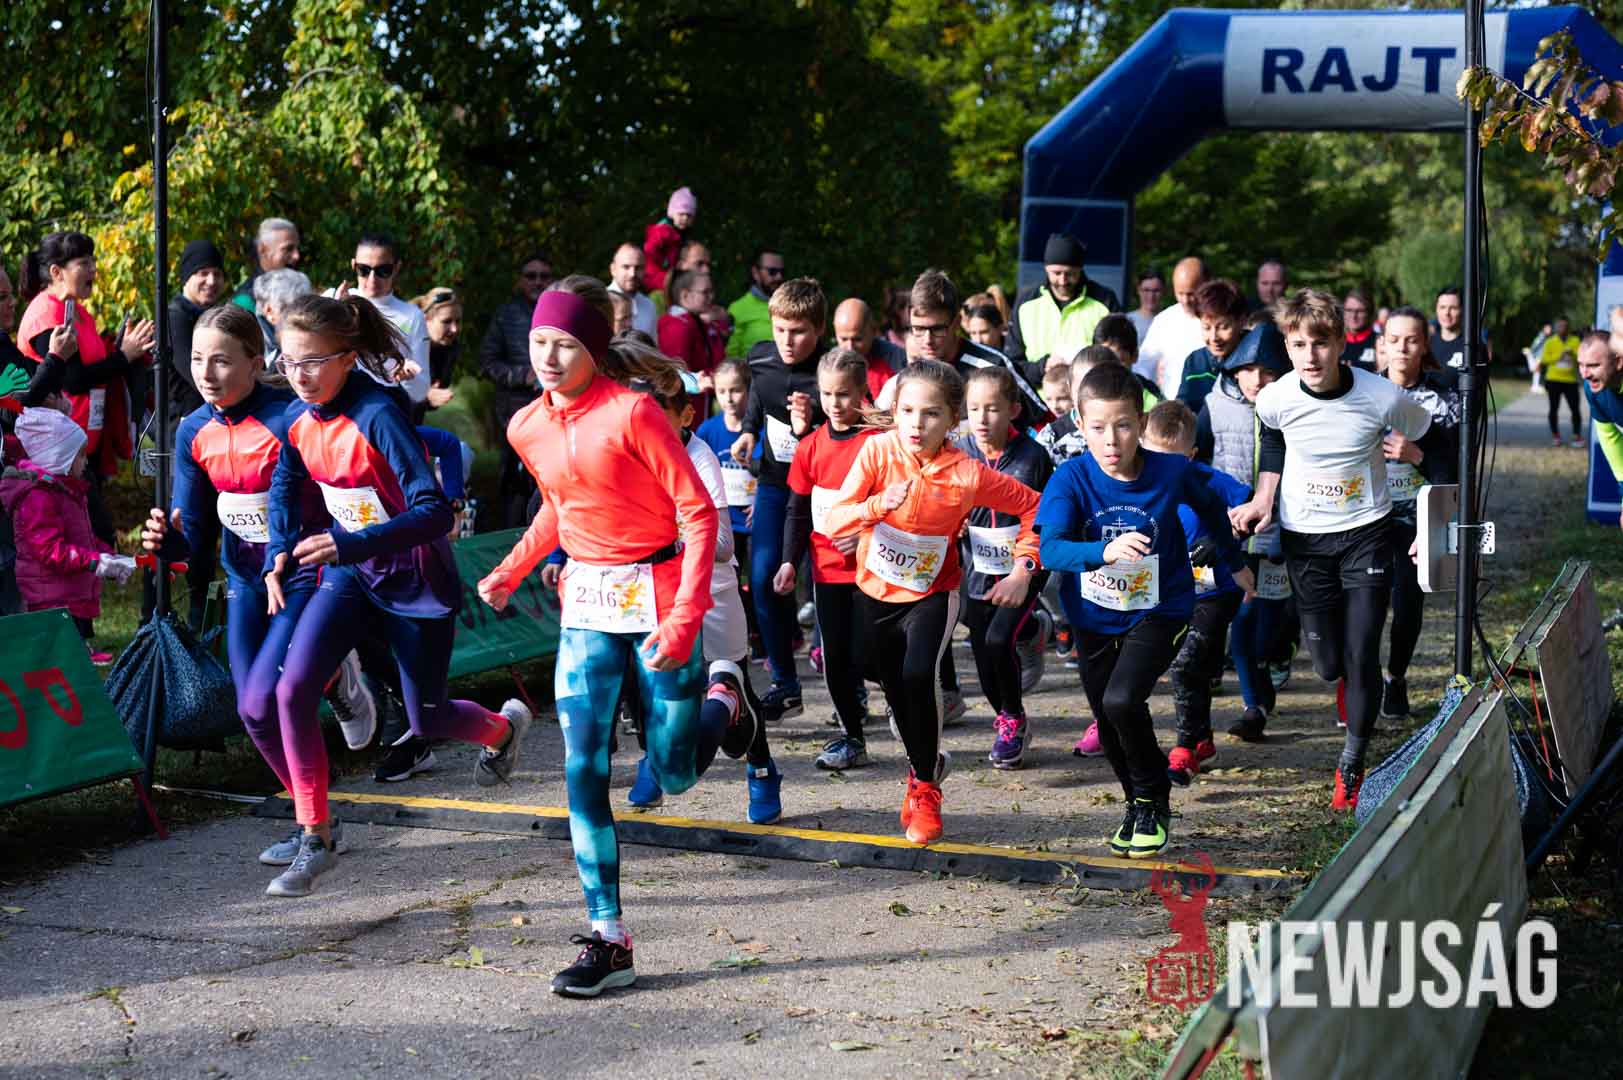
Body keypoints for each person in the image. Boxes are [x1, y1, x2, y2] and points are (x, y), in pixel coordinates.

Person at [477, 279, 722, 997]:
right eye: (539, 342)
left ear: (592, 349)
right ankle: (609, 937)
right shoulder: (526, 425)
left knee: (673, 773)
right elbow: (560, 504)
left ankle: (725, 702)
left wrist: (685, 616)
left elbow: (698, 513)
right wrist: (512, 568)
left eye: (564, 344)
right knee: (582, 765)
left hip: (661, 596)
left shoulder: (634, 412)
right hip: (587, 603)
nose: (548, 357)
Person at [258, 293, 529, 899]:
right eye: (288, 361)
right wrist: (279, 548)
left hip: (414, 579)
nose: (298, 375)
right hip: (352, 573)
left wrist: (349, 542)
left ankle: (503, 732)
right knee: (291, 689)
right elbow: (285, 483)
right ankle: (315, 835)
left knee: (426, 717)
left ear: (347, 357)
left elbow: (435, 512)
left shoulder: (378, 414)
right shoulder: (300, 416)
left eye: (312, 362)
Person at [139, 303, 378, 864]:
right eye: (197, 359)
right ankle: (313, 815)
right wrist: (165, 542)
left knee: (275, 693)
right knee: (252, 710)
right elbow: (194, 538)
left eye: (222, 361)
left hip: (306, 571)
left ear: (255, 362)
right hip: (245, 579)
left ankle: (315, 817)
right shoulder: (192, 430)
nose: (207, 373)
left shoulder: (290, 416)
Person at [1229, 289, 1433, 812]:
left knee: (1362, 652)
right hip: (1306, 541)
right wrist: (1264, 498)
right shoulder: (1275, 397)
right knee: (1326, 665)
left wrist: (1432, 508)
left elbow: (1429, 437)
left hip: (1367, 532)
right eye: (1299, 345)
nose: (1310, 356)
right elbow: (1273, 437)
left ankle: (1352, 762)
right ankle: (1342, 676)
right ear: (1287, 347)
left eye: (1321, 343)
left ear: (1342, 342)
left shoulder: (1382, 396)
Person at [1037, 364, 1252, 858]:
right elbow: (1051, 550)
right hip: (1093, 614)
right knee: (1108, 716)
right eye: (1097, 428)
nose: (1111, 440)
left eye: (1123, 426)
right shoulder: (1071, 478)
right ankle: (1137, 802)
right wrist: (1103, 552)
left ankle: (1154, 795)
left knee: (1121, 701)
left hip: (1162, 607)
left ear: (1141, 421)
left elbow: (1214, 509)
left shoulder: (1170, 471)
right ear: (1080, 423)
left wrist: (1235, 563)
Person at [822, 360, 1041, 844]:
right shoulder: (877, 451)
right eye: (907, 411)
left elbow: (1034, 506)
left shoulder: (966, 473)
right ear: (894, 411)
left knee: (919, 676)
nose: (916, 424)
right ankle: (926, 762)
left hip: (933, 595)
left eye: (931, 414)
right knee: (890, 683)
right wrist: (878, 506)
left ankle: (925, 790)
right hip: (874, 592)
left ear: (952, 421)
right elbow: (835, 519)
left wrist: (1023, 567)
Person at [619, 363, 774, 823]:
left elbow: (723, 544)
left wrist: (667, 533)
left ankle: (761, 769)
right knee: (646, 684)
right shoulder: (628, 453)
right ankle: (652, 758)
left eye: (656, 418)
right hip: (652, 594)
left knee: (734, 683)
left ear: (685, 416)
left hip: (711, 593)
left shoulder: (700, 458)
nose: (643, 430)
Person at [773, 348, 881, 770]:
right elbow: (797, 510)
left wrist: (867, 534)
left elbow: (901, 506)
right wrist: (788, 561)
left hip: (876, 570)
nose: (835, 404)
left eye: (844, 394)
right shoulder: (810, 447)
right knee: (834, 655)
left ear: (862, 392)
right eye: (828, 394)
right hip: (827, 571)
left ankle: (906, 713)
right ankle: (852, 737)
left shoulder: (877, 444)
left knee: (871, 653)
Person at [729, 278, 828, 718]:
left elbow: (851, 429)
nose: (788, 341)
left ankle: (852, 685)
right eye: (781, 329)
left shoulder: (830, 371)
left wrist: (811, 427)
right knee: (764, 577)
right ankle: (785, 683)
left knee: (829, 587)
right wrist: (749, 430)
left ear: (819, 329)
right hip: (774, 484)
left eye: (799, 331)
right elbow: (759, 395)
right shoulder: (761, 357)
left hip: (823, 492)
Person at [1192, 322, 1291, 742]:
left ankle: (1268, 672)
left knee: (1269, 624)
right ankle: (1253, 708)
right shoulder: (1212, 406)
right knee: (1240, 619)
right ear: (1234, 370)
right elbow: (1194, 467)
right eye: (1248, 370)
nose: (1257, 379)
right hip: (1228, 533)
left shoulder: (1294, 407)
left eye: (1268, 371)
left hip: (1280, 534)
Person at [1143, 401, 1251, 786]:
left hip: (1214, 592)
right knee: (1192, 668)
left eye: (1171, 460)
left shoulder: (1209, 480)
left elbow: (1252, 507)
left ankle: (1186, 748)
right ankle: (1201, 739)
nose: (1161, 468)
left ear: (1190, 455)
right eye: (1152, 456)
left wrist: (1223, 537)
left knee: (1185, 663)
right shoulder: (1138, 483)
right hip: (1164, 592)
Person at [955, 367, 1053, 770]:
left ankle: (1013, 718)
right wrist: (955, 523)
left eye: (992, 408)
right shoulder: (958, 452)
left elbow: (1045, 517)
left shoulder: (1033, 456)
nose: (981, 418)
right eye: (974, 408)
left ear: (1013, 410)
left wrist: (1025, 569)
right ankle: (1008, 716)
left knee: (999, 640)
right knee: (983, 657)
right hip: (978, 567)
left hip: (1025, 565)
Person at [18, 232, 156, 490]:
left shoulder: (79, 311)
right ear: (57, 272)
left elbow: (96, 365)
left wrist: (122, 349)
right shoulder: (45, 314)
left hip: (85, 444)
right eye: (84, 263)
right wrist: (124, 356)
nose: (93, 269)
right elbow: (73, 380)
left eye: (93, 261)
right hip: (57, 453)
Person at [1378, 307, 1461, 721]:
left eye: (1411, 340)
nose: (1402, 349)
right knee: (1365, 602)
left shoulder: (1444, 399)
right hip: (1367, 516)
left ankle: (1395, 677)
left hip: (1417, 518)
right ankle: (1360, 681)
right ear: (1382, 343)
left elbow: (1453, 472)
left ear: (1425, 344)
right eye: (1394, 340)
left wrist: (1417, 456)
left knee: (1407, 604)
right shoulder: (1363, 391)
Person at [0, 407, 133, 662]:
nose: (86, 462)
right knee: (57, 666)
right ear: (58, 458)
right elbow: (50, 550)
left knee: (70, 663)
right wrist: (94, 561)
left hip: (68, 597)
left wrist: (109, 557)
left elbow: (83, 539)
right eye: (80, 456)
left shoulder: (68, 492)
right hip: (50, 602)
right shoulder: (37, 498)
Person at [695, 358, 764, 661]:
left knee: (759, 581)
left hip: (753, 520)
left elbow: (771, 470)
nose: (729, 398)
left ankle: (762, 636)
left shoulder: (758, 430)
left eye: (736, 390)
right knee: (731, 583)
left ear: (748, 391)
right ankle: (739, 635)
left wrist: (760, 499)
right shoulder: (708, 430)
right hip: (726, 525)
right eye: (722, 391)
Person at [478, 254, 552, 528]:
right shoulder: (506, 315)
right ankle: (513, 539)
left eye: (544, 276)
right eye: (531, 276)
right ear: (521, 281)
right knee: (515, 486)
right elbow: (487, 363)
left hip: (554, 410)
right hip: (514, 413)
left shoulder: (557, 312)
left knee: (548, 480)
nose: (537, 282)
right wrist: (523, 375)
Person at [338, 232, 431, 408]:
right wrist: (337, 312)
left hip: (385, 407)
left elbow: (421, 390)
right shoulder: (334, 299)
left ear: (396, 268)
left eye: (383, 271)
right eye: (364, 270)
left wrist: (407, 377)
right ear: (353, 265)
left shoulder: (412, 316)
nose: (372, 279)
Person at [1006, 233, 1116, 379]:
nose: (1063, 281)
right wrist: (1043, 367)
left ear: (1080, 269)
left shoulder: (1105, 301)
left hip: (1088, 391)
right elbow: (1011, 364)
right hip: (1036, 392)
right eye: (1056, 273)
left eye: (1070, 274)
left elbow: (1116, 358)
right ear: (1046, 268)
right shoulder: (1025, 303)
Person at [167, 240, 229, 418]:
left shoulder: (217, 314)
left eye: (217, 274)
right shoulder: (174, 318)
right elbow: (197, 375)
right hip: (185, 420)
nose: (211, 281)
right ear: (187, 277)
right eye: (203, 273)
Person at [1175, 279, 1250, 415]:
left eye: (1223, 327)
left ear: (1241, 321)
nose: (1214, 337)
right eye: (1206, 327)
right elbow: (1181, 410)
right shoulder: (1194, 362)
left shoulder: (1254, 361)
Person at [1139, 256, 1207, 396]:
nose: (1185, 300)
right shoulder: (1165, 320)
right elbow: (1143, 366)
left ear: (1205, 285)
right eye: (1180, 293)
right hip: (1172, 402)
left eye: (1191, 294)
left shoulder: (1219, 320)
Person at [1580, 325, 1623, 530]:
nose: (1585, 374)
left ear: (1618, 362)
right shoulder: (1593, 390)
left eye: (1594, 365)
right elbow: (1611, 440)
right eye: (1581, 365)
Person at [657, 270, 727, 383]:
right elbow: (679, 376)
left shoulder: (697, 321)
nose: (711, 297)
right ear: (685, 295)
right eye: (705, 292)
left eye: (712, 291)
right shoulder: (676, 327)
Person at [832, 297, 905, 401]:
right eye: (844, 339)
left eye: (857, 339)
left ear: (873, 331)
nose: (850, 347)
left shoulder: (896, 361)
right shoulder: (831, 365)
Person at [725, 247, 786, 358]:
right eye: (772, 272)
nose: (779, 277)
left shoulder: (790, 305)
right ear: (755, 273)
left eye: (782, 272)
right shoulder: (738, 309)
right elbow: (730, 356)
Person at [232, 218, 302, 312]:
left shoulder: (299, 286)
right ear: (263, 249)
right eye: (288, 249)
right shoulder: (245, 301)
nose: (296, 256)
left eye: (297, 248)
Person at [411, 287, 461, 419]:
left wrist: (429, 397)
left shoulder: (450, 347)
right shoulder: (402, 346)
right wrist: (424, 396)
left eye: (458, 321)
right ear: (425, 319)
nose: (454, 329)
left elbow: (433, 402)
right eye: (446, 321)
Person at [253, 268, 314, 369]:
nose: (303, 317)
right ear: (269, 311)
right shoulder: (255, 348)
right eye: (293, 310)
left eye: (307, 308)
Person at [1539, 315, 1583, 447]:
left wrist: (1572, 354)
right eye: (1560, 326)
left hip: (1571, 380)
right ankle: (1555, 435)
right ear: (1556, 327)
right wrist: (1560, 356)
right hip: (1553, 380)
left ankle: (1576, 435)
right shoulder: (1550, 341)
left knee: (1575, 409)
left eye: (1565, 326)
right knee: (1553, 409)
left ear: (1568, 327)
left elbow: (1582, 357)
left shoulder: (1575, 340)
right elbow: (1544, 359)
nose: (1562, 328)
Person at [643, 186, 696, 294]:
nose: (685, 218)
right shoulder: (662, 232)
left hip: (669, 279)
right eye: (681, 214)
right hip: (656, 279)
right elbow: (649, 256)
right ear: (672, 213)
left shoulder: (683, 236)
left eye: (689, 215)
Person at [607, 243, 658, 336]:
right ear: (613, 269)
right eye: (626, 267)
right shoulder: (601, 303)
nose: (632, 274)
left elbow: (652, 343)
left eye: (638, 268)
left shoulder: (649, 306)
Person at [1341, 289, 1377, 372]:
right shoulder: (1334, 343)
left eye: (1360, 311)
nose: (1354, 316)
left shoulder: (1380, 343)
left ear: (1369, 313)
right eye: (1349, 310)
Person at [1127, 268, 1164, 344]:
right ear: (1138, 290)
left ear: (1164, 291)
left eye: (1156, 291)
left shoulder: (1171, 321)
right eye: (1146, 290)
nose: (1151, 296)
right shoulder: (1127, 321)